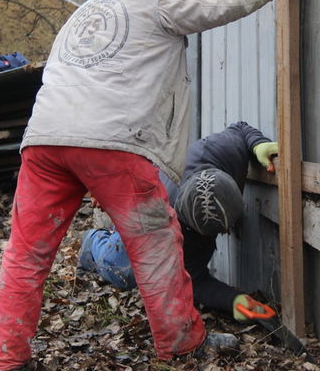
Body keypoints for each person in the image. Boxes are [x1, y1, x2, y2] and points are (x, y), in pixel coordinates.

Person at [0, 0, 307, 371]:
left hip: (44, 139)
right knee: (155, 244)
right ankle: (182, 344)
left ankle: (6, 359)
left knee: (26, 252)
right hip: (111, 144)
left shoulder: (89, 10)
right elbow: (220, 4)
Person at [78, 122, 278, 321]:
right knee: (123, 270)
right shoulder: (162, 225)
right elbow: (191, 280)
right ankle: (92, 243)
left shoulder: (219, 152)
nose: (226, 233)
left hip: (159, 199)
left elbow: (241, 130)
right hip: (140, 214)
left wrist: (259, 144)